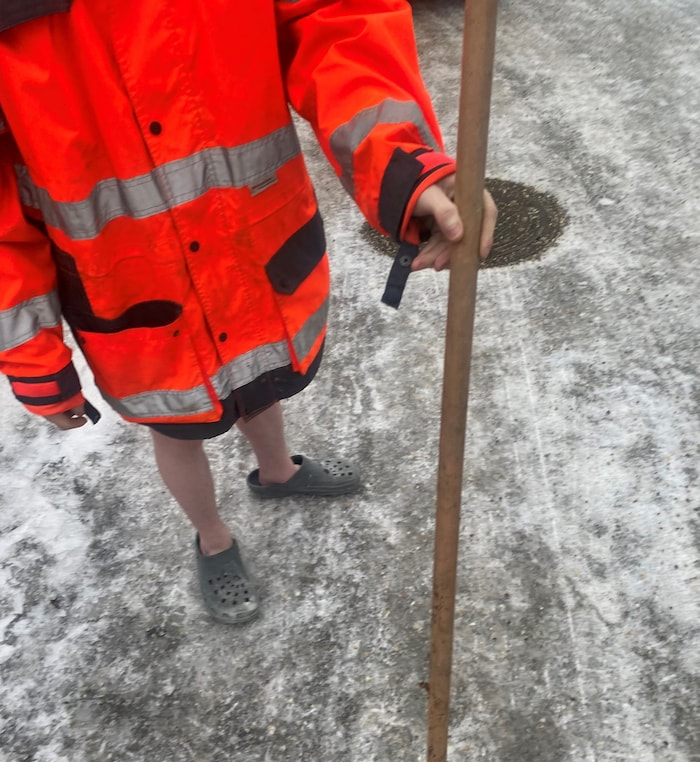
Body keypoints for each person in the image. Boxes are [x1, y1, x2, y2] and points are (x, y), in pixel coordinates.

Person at [0, 0, 496, 623]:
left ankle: (278, 471)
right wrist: (30, 352)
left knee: (260, 379)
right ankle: (213, 537)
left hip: (248, 246)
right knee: (179, 424)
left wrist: (400, 160)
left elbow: (333, 18)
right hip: (132, 286)